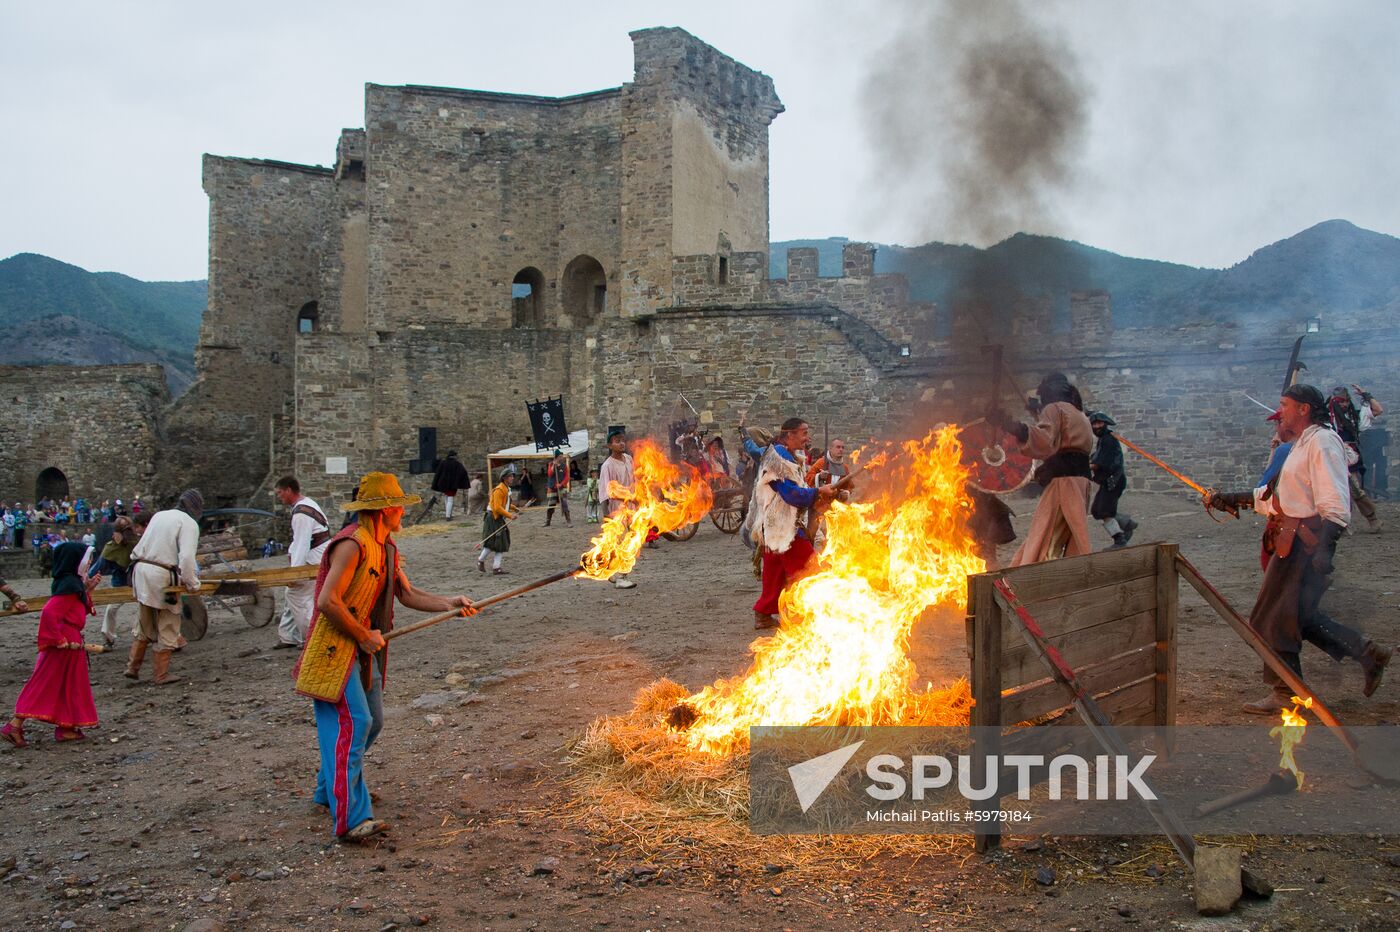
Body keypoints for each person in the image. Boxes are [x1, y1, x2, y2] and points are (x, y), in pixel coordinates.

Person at [293, 471, 476, 842]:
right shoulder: (351, 545)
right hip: (335, 650)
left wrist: (449, 603)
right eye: (399, 508)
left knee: (373, 720)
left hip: (364, 650)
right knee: (354, 722)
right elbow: (329, 601)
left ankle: (329, 790)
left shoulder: (386, 547)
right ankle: (351, 819)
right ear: (385, 510)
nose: (403, 515)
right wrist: (361, 635)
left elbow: (406, 595)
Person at [1207, 384, 1392, 714]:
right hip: (1289, 541)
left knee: (1271, 619)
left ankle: (1286, 693)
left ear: (1304, 409)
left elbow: (1335, 502)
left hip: (1305, 547)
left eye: (1285, 405)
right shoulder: (1301, 445)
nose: (1281, 412)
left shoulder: (1322, 442)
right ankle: (1367, 653)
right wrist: (1233, 498)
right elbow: (1282, 497)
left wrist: (1324, 550)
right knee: (1300, 619)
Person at [1, 542, 102, 747]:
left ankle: (66, 728)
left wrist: (87, 590)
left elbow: (73, 612)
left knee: (68, 683)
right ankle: (14, 724)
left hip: (69, 640)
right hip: (64, 643)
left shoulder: (70, 583)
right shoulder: (70, 585)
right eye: (87, 559)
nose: (90, 562)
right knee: (46, 682)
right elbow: (50, 612)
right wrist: (57, 640)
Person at [990, 373, 1095, 566]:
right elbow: (1063, 439)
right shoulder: (1080, 414)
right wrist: (1037, 413)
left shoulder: (1054, 409)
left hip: (1065, 484)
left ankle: (1043, 579)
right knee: (1062, 534)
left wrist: (1015, 428)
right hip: (1081, 482)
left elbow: (1045, 440)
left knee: (1047, 536)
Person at [746, 417, 840, 629]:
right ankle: (810, 613)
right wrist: (817, 492)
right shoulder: (777, 460)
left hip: (776, 527)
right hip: (782, 528)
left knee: (774, 573)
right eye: (804, 433)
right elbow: (790, 494)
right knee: (811, 569)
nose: (808, 437)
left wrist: (823, 492)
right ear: (789, 435)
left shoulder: (790, 457)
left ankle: (762, 614)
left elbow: (799, 489)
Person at [126, 489, 203, 685]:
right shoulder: (189, 523)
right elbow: (186, 558)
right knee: (168, 621)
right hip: (161, 575)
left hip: (140, 569)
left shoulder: (160, 515)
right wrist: (193, 584)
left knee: (145, 619)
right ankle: (161, 674)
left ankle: (133, 667)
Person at [274, 476, 332, 649]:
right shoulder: (307, 504)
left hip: (313, 557)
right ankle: (288, 636)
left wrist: (295, 573)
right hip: (318, 553)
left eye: (280, 493)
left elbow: (301, 543)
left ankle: (313, 638)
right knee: (291, 595)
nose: (279, 497)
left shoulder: (301, 514)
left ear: (289, 490)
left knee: (297, 595)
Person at [1328, 386, 1382, 532]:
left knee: (1356, 489)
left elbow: (1378, 410)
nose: (1345, 405)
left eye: (1346, 401)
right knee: (1335, 492)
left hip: (1350, 458)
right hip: (1331, 459)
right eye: (1341, 402)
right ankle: (1340, 525)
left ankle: (1372, 519)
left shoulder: (1353, 417)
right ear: (1334, 402)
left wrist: (1366, 394)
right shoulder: (1325, 420)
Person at [598, 428, 645, 588]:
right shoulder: (607, 466)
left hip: (631, 508)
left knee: (631, 541)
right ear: (610, 445)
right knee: (621, 543)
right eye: (617, 441)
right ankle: (621, 577)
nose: (621, 443)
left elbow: (634, 481)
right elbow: (606, 492)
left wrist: (638, 497)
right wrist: (607, 517)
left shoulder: (628, 459)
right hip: (617, 510)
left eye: (622, 440)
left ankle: (614, 572)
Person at [1087, 412, 1139, 549]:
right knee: (1097, 511)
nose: (1097, 426)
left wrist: (1084, 467)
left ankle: (1119, 540)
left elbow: (1100, 462)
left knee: (1104, 511)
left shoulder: (1109, 439)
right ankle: (1127, 523)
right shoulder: (1102, 440)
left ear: (1105, 423)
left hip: (1113, 481)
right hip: (1107, 481)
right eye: (1094, 424)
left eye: (1099, 423)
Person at [94, 516, 136, 647]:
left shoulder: (137, 542)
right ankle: (108, 637)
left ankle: (142, 634)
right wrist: (86, 579)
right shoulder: (111, 547)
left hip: (138, 582)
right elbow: (98, 567)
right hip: (120, 584)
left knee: (147, 607)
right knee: (111, 609)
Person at [478, 469, 520, 575]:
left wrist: (514, 508)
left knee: (501, 542)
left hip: (498, 518)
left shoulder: (505, 489)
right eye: (510, 476)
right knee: (493, 542)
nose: (512, 478)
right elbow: (497, 507)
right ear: (505, 478)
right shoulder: (499, 490)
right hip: (493, 518)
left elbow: (504, 504)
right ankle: (481, 560)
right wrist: (510, 515)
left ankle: (496, 567)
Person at [431, 450, 470, 521]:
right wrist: (460, 482)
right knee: (450, 499)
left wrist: (436, 483)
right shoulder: (457, 464)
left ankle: (448, 514)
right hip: (452, 484)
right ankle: (448, 516)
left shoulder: (443, 463)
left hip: (443, 484)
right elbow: (463, 472)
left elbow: (438, 473)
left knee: (447, 497)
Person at [544, 450, 573, 528]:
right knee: (551, 505)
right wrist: (554, 465)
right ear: (556, 457)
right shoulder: (550, 464)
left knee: (564, 504)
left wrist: (561, 484)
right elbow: (550, 474)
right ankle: (548, 521)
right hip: (552, 487)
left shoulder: (564, 466)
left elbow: (567, 477)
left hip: (561, 488)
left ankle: (568, 521)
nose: (562, 457)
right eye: (560, 456)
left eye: (562, 456)